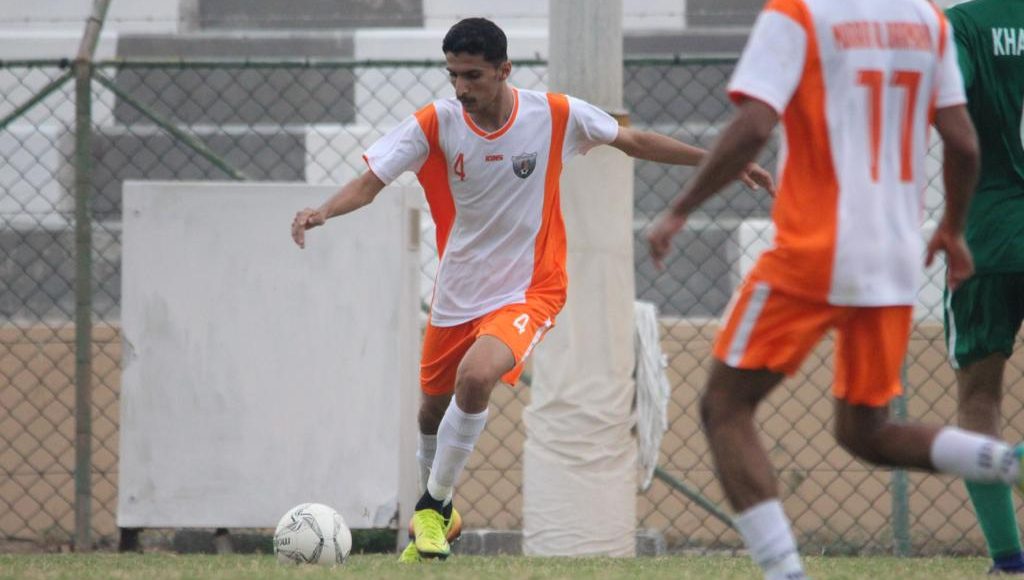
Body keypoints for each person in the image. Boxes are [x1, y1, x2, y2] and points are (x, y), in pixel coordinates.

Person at [291, 17, 773, 562]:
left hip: (531, 289)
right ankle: (441, 516)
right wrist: (323, 211)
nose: (461, 88)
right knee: (431, 413)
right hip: (458, 291)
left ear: (504, 71)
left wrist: (723, 163)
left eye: (473, 76)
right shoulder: (436, 123)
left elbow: (634, 141)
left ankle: (430, 507)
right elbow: (370, 182)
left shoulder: (555, 115)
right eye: (453, 76)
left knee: (477, 377)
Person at [647, 0, 1022, 578]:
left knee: (725, 405)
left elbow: (753, 126)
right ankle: (1010, 463)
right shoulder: (927, 20)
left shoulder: (798, 13)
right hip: (894, 256)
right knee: (866, 431)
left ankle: (784, 571)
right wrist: (950, 228)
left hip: (815, 250)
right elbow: (963, 142)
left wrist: (680, 208)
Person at [942, 0, 1024, 574]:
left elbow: (946, 110)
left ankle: (1008, 559)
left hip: (987, 235)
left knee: (978, 398)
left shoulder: (964, 26)